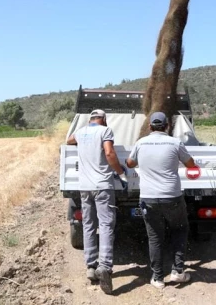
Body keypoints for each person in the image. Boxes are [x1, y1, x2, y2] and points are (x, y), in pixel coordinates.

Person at [125, 112, 196, 289]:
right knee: (180, 230)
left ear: (149, 127)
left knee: (155, 237)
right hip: (172, 197)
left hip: (148, 197)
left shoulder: (140, 143)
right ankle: (178, 272)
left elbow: (130, 163)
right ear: (167, 126)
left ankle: (157, 278)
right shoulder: (175, 142)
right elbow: (190, 164)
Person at [66, 109, 128, 295]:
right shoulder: (105, 131)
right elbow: (109, 153)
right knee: (107, 224)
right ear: (104, 119)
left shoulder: (81, 132)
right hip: (102, 186)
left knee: (88, 225)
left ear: (90, 119)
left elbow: (69, 141)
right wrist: (120, 173)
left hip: (84, 187)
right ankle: (105, 267)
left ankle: (91, 267)